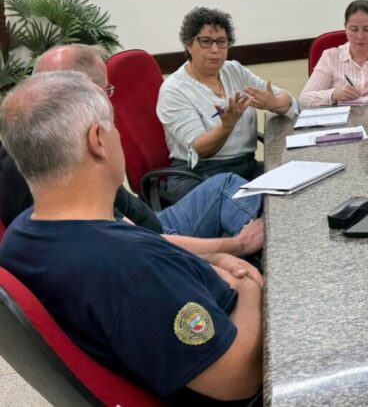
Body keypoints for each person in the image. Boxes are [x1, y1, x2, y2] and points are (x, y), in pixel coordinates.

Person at [0, 72, 263, 401]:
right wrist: (251, 286)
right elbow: (238, 378)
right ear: (98, 140)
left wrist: (216, 257)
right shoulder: (133, 268)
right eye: (113, 126)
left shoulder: (22, 233)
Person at [0, 44, 264, 260]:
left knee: (228, 186)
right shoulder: (60, 168)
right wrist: (234, 248)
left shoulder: (32, 150)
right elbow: (139, 245)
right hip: (159, 238)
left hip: (151, 226)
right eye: (106, 90)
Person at [157, 7, 297, 202]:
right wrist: (226, 126)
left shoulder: (234, 71)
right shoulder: (174, 90)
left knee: (295, 187)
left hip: (245, 168)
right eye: (206, 41)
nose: (215, 50)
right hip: (200, 177)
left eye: (221, 42)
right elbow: (200, 149)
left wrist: (273, 102)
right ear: (188, 44)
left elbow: (286, 98)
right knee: (263, 206)